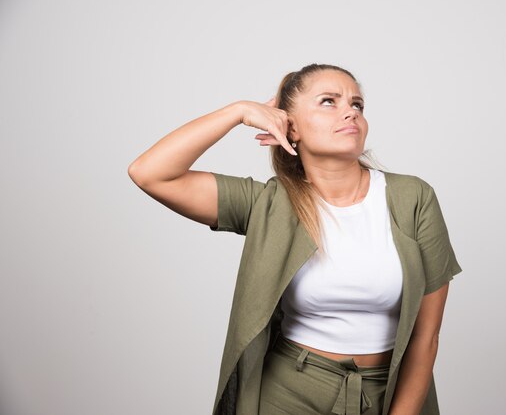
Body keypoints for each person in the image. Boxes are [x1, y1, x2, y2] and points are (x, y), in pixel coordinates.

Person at [128, 63, 463, 415]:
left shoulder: (413, 198)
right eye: (329, 101)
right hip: (289, 393)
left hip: (387, 390)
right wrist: (238, 112)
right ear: (291, 126)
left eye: (357, 104)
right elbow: (150, 173)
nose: (350, 111)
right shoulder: (268, 203)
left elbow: (426, 338)